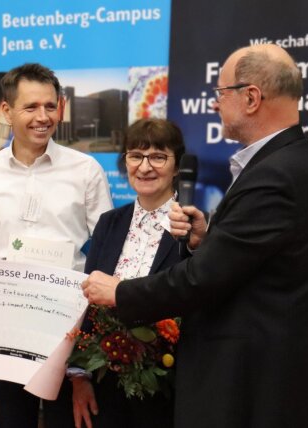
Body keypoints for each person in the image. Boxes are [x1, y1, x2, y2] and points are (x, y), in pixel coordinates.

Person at [81, 44, 308, 428]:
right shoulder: (289, 162)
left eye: (220, 94)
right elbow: (250, 263)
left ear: (251, 97)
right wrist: (207, 240)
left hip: (256, 386)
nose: (215, 105)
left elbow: (200, 280)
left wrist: (119, 292)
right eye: (136, 156)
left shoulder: (275, 176)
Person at [0, 63, 113, 428]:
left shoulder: (86, 169)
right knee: (13, 420)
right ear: (7, 111)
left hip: (68, 330)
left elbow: (107, 250)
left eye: (50, 106)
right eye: (30, 107)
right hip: (5, 328)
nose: (42, 117)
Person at [71, 118, 185, 428]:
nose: (145, 167)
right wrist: (80, 375)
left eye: (158, 157)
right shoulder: (109, 222)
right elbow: (88, 304)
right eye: (136, 155)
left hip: (168, 385)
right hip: (105, 382)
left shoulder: (191, 227)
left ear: (177, 167)